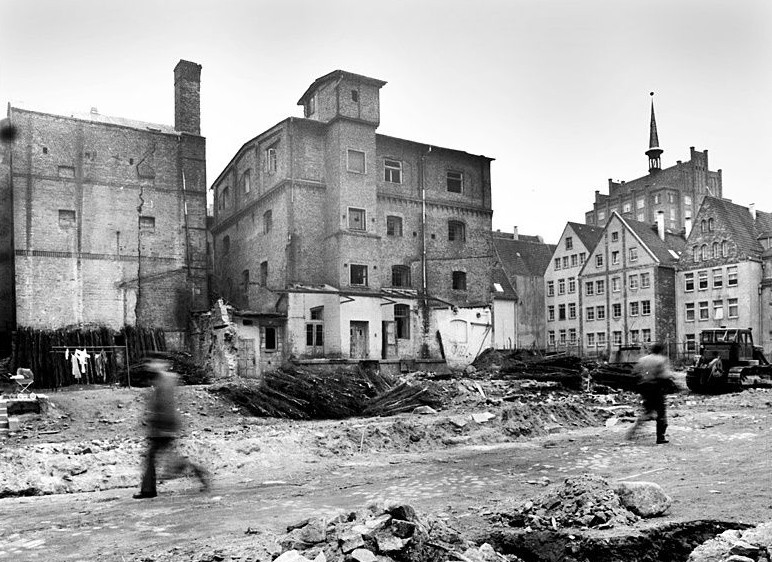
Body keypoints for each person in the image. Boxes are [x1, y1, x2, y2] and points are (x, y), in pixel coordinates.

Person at [134, 352, 211, 499]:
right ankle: (199, 473)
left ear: (163, 364)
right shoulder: (160, 380)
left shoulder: (166, 380)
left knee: (156, 457)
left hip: (164, 426)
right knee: (160, 457)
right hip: (161, 426)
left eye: (154, 362)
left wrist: (162, 427)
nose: (150, 365)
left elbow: (167, 405)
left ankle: (148, 491)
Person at [626, 343, 675, 444]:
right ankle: (660, 436)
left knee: (648, 411)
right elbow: (665, 375)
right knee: (661, 413)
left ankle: (634, 429)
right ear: (660, 350)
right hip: (657, 388)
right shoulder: (661, 359)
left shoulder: (643, 360)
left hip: (645, 388)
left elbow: (635, 372)